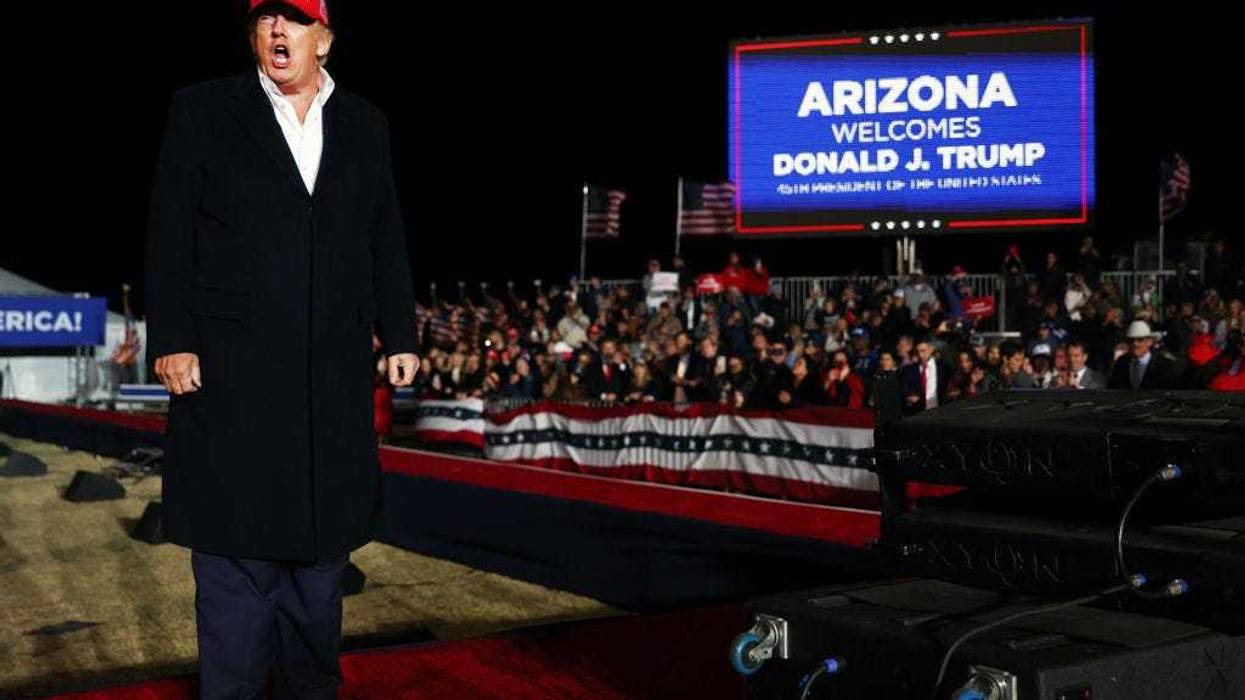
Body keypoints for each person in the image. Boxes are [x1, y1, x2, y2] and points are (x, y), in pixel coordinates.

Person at [145, 2, 420, 696]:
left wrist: (401, 331)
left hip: (328, 383)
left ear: (323, 38)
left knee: (318, 573)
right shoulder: (203, 109)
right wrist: (173, 338)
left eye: (293, 19)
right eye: (264, 18)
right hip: (231, 376)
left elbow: (385, 233)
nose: (277, 31)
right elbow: (168, 231)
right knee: (235, 564)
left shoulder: (366, 123)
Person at [1108, 321, 1182, 390]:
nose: (1135, 344)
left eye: (1140, 340)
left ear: (1150, 342)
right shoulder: (1121, 362)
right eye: (1131, 340)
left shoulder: (1164, 364)